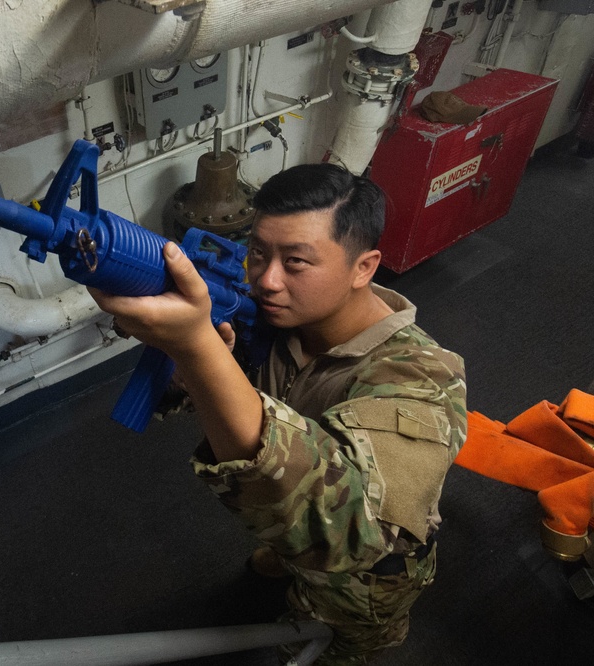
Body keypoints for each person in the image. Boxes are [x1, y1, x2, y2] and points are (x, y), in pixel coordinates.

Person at [88, 163, 467, 665]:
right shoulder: (276, 319)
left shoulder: (424, 381)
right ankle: (286, 565)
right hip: (283, 530)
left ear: (364, 267)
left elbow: (350, 531)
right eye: (258, 253)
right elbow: (228, 387)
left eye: (296, 262)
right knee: (282, 560)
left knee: (326, 645)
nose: (266, 280)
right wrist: (195, 368)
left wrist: (199, 347)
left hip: (364, 577)